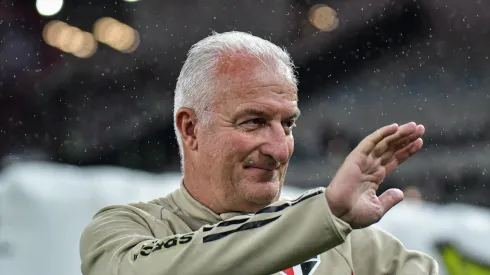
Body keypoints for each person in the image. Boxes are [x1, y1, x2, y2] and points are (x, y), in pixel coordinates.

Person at [80, 31, 439, 275]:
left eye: (288, 125)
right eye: (253, 122)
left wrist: (326, 220)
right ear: (191, 129)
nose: (279, 148)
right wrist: (324, 215)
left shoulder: (355, 247)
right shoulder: (124, 230)